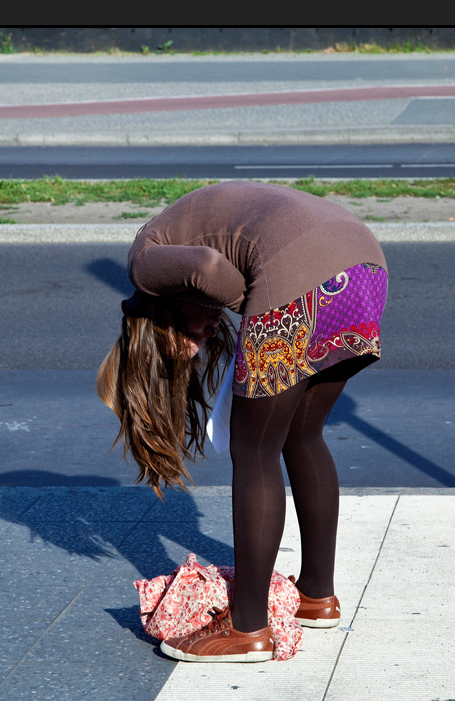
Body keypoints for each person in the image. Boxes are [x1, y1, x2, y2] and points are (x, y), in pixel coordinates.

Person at [96, 180, 387, 662]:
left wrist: (249, 303)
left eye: (190, 340)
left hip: (300, 269)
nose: (211, 333)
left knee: (254, 451)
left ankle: (248, 628)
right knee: (303, 435)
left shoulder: (144, 265)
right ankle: (317, 596)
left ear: (158, 313)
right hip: (363, 263)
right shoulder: (174, 241)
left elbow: (214, 272)